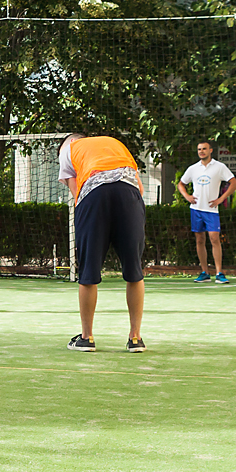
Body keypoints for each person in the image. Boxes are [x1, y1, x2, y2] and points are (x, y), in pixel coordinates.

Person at [59, 132, 147, 352]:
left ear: (71, 141)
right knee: (134, 270)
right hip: (129, 195)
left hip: (94, 195)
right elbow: (140, 188)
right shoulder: (116, 144)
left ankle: (86, 338)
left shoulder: (69, 149)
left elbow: (76, 193)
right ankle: (135, 338)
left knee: (88, 270)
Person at [175, 142, 236, 284]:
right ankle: (205, 273)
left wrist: (221, 199)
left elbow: (234, 183)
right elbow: (181, 184)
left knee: (214, 239)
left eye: (204, 149)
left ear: (210, 150)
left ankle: (219, 273)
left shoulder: (219, 167)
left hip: (211, 210)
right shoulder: (193, 168)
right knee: (199, 240)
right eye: (199, 149)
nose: (201, 151)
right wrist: (187, 196)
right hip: (196, 210)